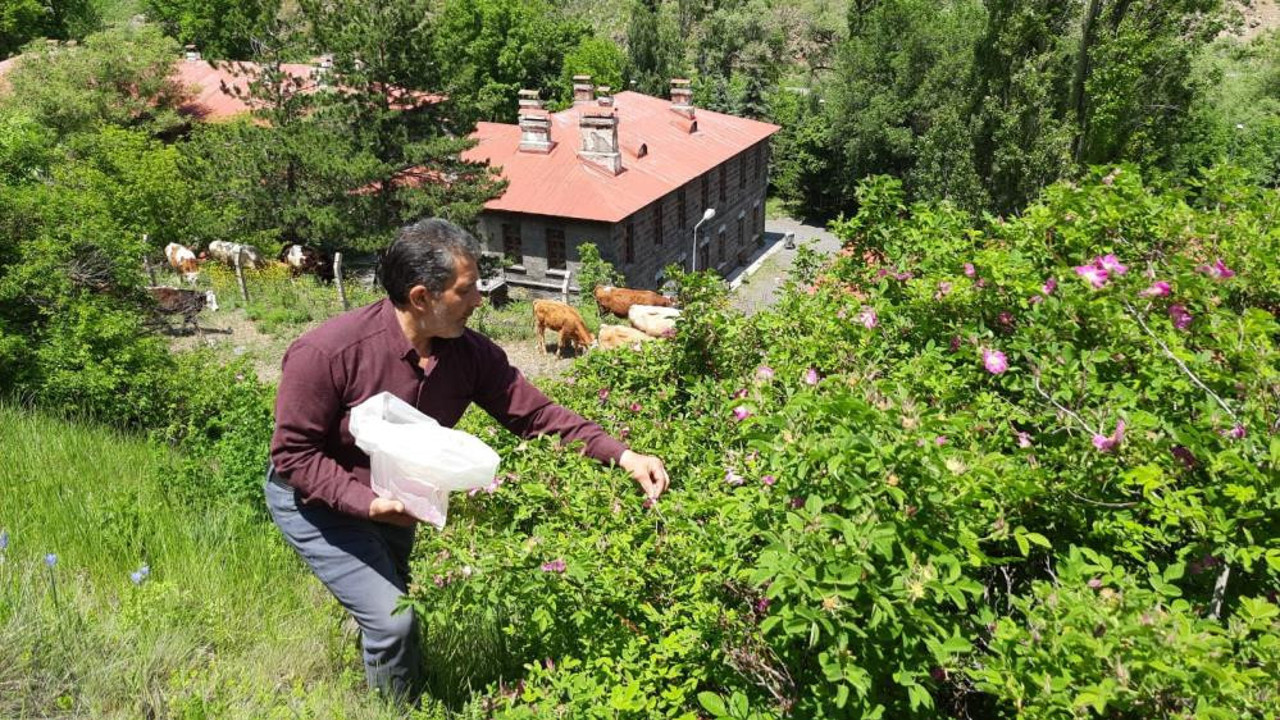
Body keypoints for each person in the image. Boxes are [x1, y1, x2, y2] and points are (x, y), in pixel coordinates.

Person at [265, 218, 670, 702]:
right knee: (396, 622)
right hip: (316, 500)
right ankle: (399, 711)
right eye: (467, 289)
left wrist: (622, 455)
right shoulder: (327, 354)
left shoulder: (468, 354)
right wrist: (367, 505)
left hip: (397, 493)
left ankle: (382, 676)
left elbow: (536, 415)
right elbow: (294, 455)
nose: (480, 299)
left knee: (392, 604)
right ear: (421, 298)